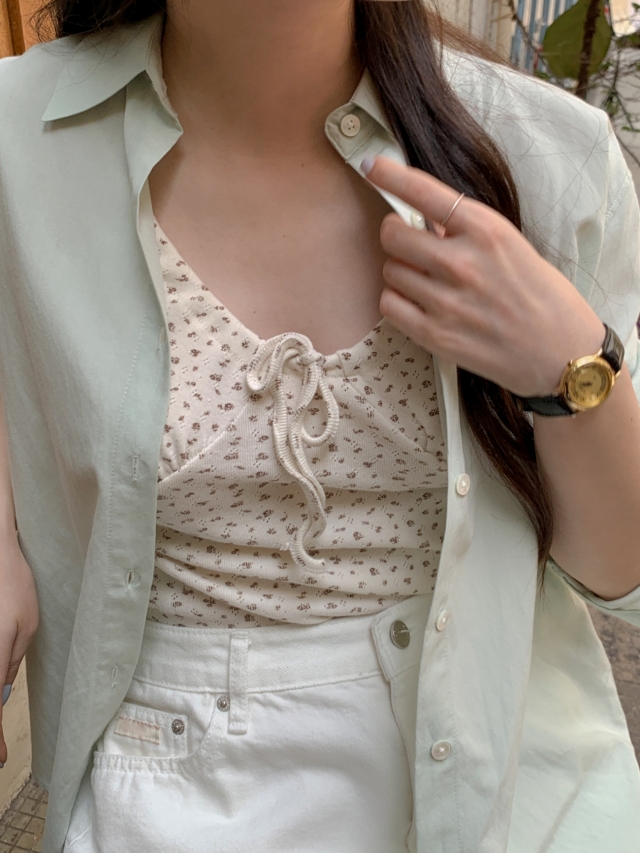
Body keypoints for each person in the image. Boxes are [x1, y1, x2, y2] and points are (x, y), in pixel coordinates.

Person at [1, 0, 640, 850]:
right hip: (155, 787)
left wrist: (570, 366)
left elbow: (618, 572)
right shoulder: (20, 136)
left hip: (510, 792)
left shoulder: (548, 153)